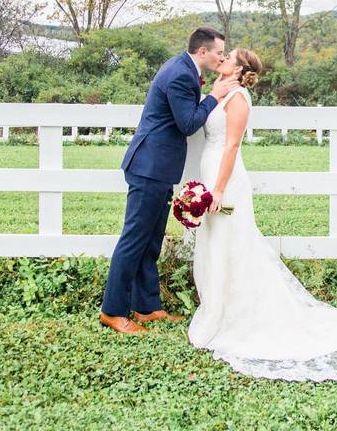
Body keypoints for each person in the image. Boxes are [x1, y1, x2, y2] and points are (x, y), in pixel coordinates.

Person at [187, 48, 337, 381]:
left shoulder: (238, 99)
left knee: (232, 244)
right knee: (214, 244)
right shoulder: (219, 92)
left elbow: (231, 146)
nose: (222, 58)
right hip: (209, 171)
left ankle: (234, 314)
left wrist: (218, 189)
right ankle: (216, 307)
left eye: (228, 56)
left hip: (226, 179)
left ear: (238, 69)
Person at [99, 27, 239, 334]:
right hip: (149, 167)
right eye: (219, 52)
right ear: (203, 52)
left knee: (151, 241)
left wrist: (210, 92)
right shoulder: (180, 74)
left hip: (158, 168)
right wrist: (215, 96)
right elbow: (188, 123)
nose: (223, 57)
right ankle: (113, 311)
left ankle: (148, 307)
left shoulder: (184, 68)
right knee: (134, 240)